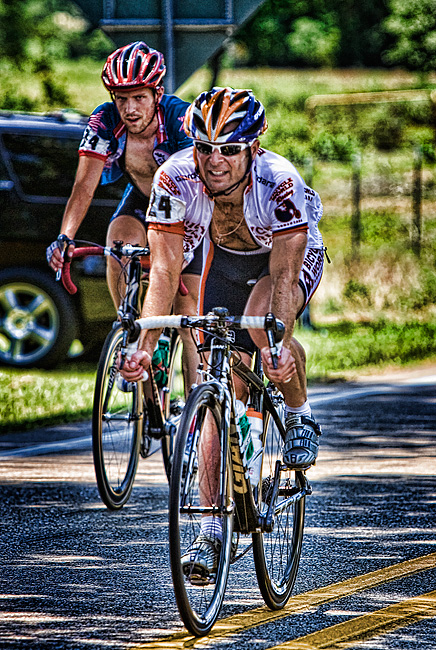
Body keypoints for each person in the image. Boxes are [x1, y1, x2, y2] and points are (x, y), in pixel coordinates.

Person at [120, 87, 324, 577]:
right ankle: (212, 531)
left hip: (283, 259)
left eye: (229, 149)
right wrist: (145, 345)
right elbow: (164, 272)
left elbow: (284, 277)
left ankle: (299, 413)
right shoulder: (174, 178)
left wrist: (277, 342)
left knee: (263, 335)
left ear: (254, 147)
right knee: (220, 384)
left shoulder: (281, 183)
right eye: (204, 148)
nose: (215, 161)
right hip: (226, 262)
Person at [46, 41, 200, 387]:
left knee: (189, 317)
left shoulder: (180, 119)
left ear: (157, 93)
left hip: (190, 213)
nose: (129, 109)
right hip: (143, 201)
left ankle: (197, 403)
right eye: (121, 98)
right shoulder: (104, 120)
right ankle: (128, 328)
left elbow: (203, 185)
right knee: (118, 244)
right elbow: (83, 186)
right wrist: (65, 236)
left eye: (139, 98)